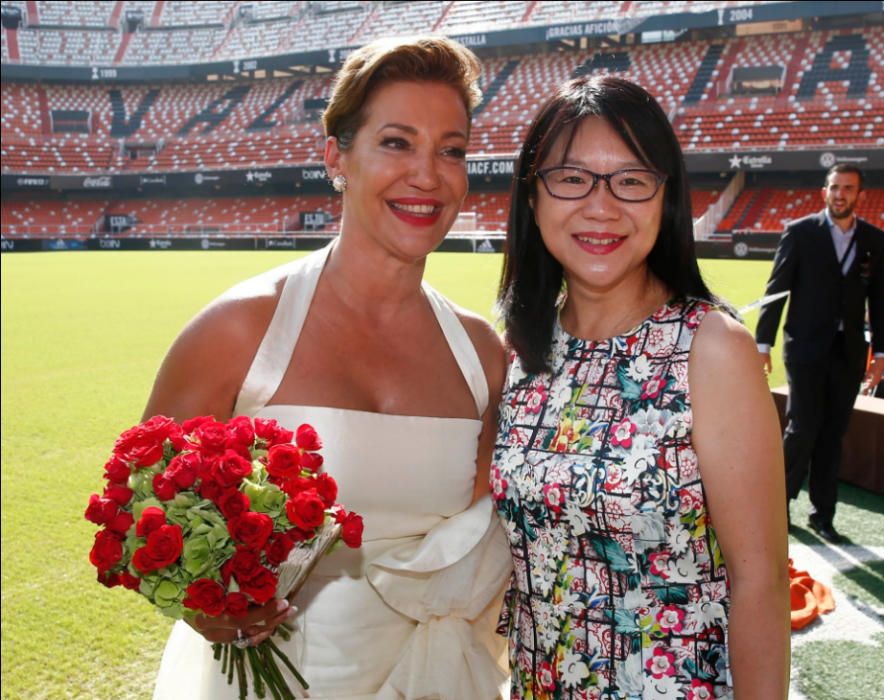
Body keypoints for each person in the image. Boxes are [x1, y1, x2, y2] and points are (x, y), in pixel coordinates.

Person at [150, 37, 512, 699]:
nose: (428, 175)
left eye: (451, 149)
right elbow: (148, 516)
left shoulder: (482, 354)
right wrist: (203, 606)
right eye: (397, 142)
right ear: (336, 158)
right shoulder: (235, 331)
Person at [493, 76, 790, 699]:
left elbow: (760, 580)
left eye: (631, 181)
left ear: (666, 198)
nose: (601, 208)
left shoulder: (711, 350)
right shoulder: (520, 352)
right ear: (531, 196)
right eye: (571, 178)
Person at [755, 164, 884, 544]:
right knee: (802, 428)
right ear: (824, 192)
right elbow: (776, 289)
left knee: (833, 434)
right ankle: (775, 506)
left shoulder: (874, 240)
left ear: (859, 194)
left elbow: (880, 302)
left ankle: (823, 514)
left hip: (849, 353)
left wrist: (881, 353)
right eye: (835, 187)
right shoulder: (799, 233)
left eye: (848, 188)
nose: (840, 194)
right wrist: (762, 344)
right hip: (805, 348)